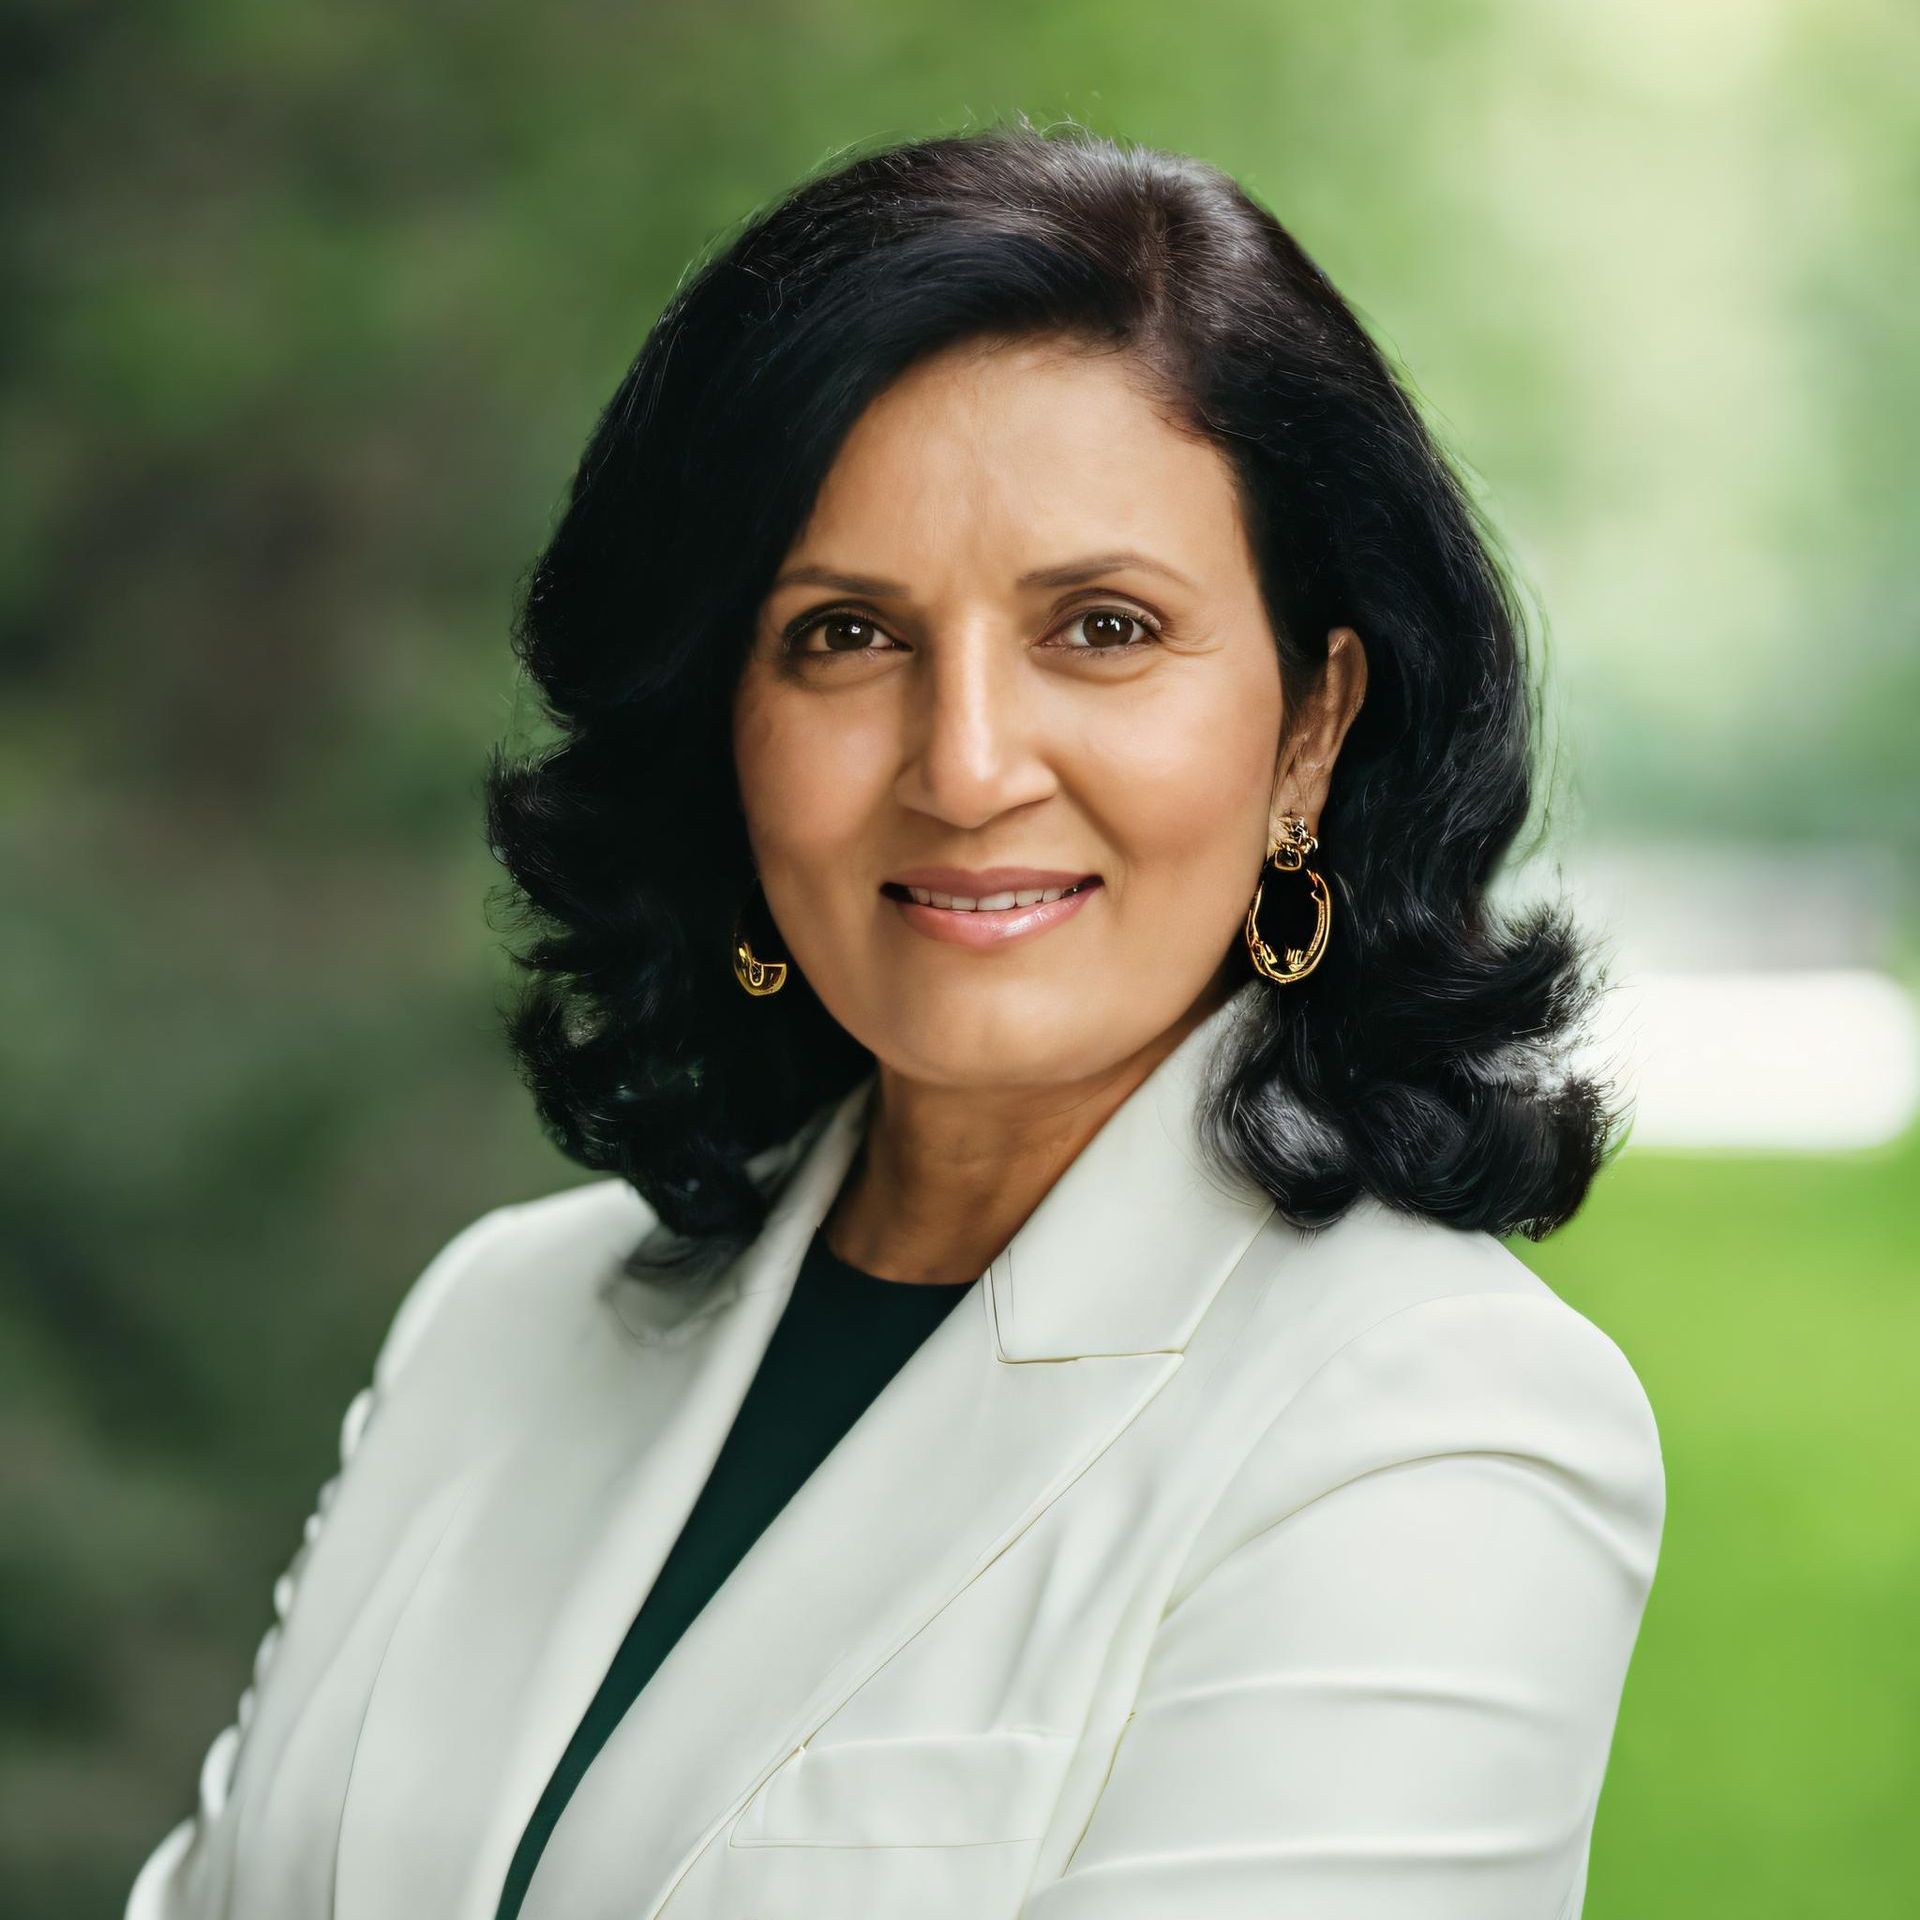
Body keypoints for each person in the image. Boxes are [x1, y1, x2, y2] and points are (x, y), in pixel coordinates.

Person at [127, 120, 1664, 1920]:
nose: (965, 766)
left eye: (1100, 625)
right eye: (845, 637)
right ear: (721, 716)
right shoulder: (498, 1320)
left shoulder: (1429, 1423)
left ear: (1312, 727)